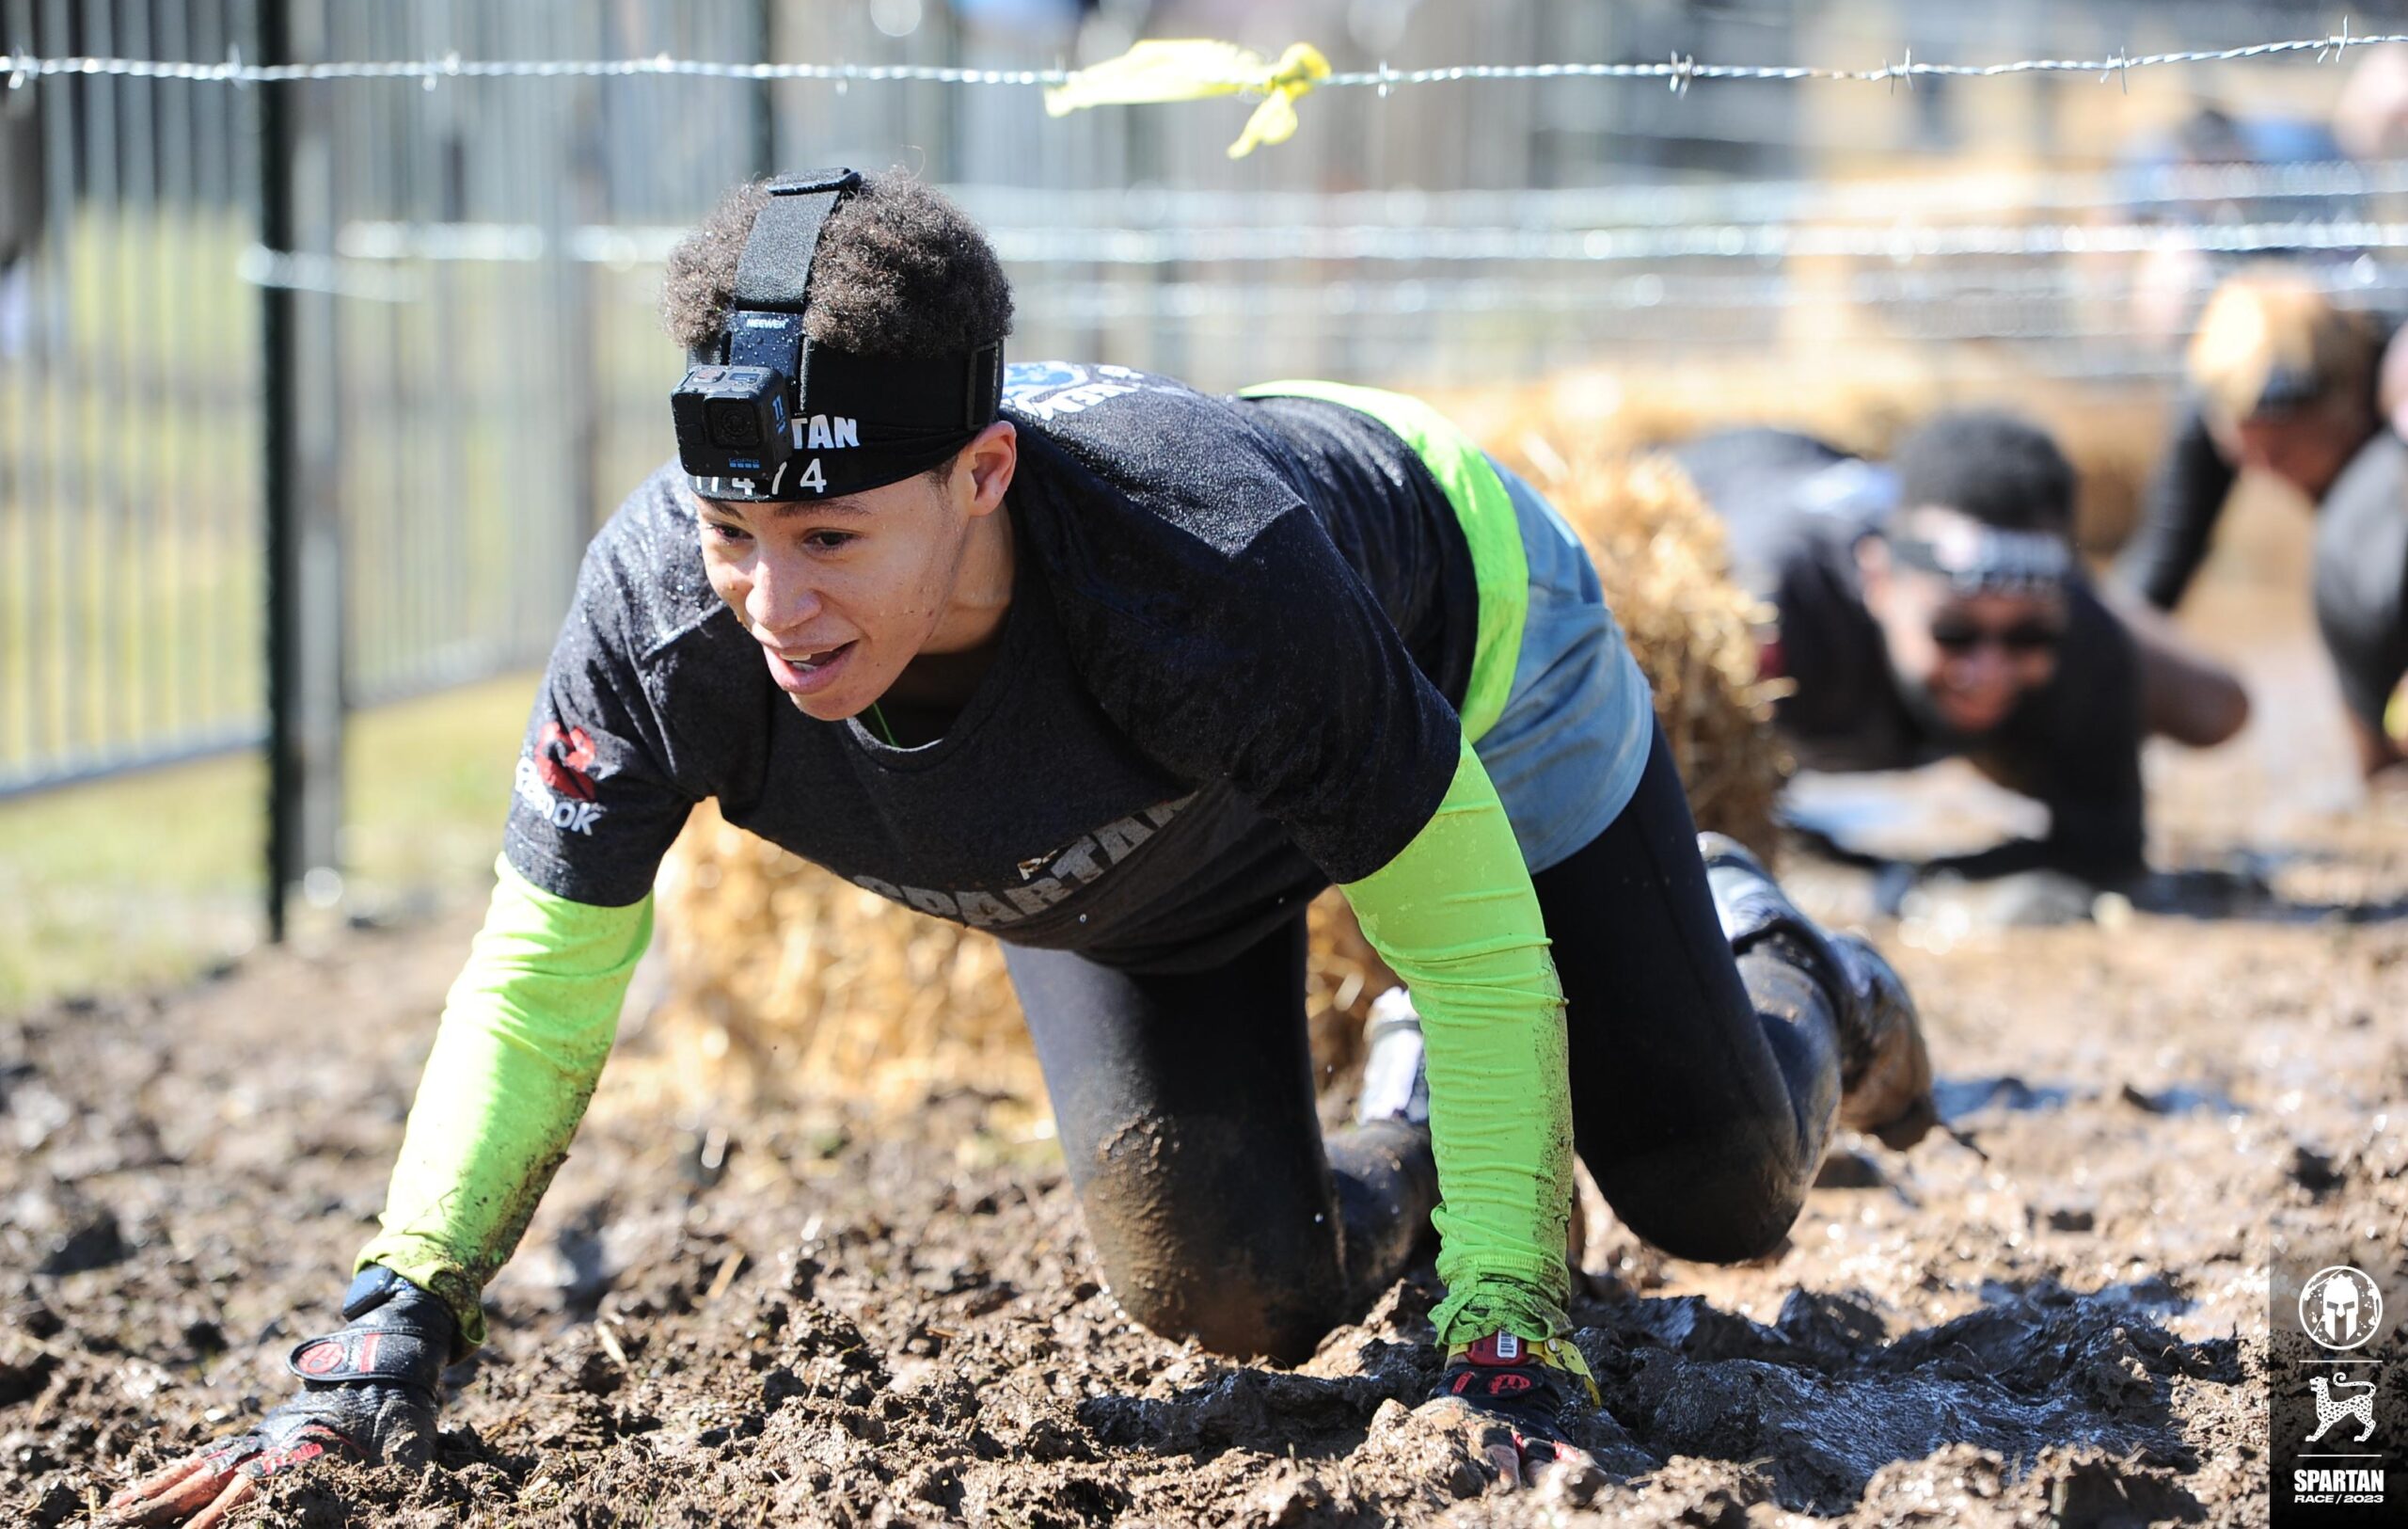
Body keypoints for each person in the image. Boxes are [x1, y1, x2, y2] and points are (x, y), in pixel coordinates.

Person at [108, 170, 1936, 1525]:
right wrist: (395, 1310)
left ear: (981, 477)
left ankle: (1795, 971)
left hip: (1462, 657)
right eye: (733, 532)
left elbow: (1467, 942)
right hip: (1152, 847)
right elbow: (535, 983)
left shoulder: (1203, 577)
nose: (770, 605)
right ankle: (1417, 1110)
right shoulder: (660, 625)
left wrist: (1511, 1328)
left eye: (830, 539)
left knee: (1712, 1188)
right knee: (1227, 1292)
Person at [1673, 413, 2247, 889]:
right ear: (1879, 583)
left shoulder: (2079, 633)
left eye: (2028, 636)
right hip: (1730, 475)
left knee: (2214, 706)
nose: (1989, 670)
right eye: (1954, 632)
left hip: (1851, 493)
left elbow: (2105, 853)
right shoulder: (1767, 618)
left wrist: (1939, 880)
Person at [2118, 266, 2408, 777]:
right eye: (2246, 453)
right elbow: (2155, 575)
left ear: (2341, 410)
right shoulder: (2219, 413)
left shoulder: (2391, 371)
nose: (2264, 472)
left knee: (2348, 548)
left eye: (2283, 452)